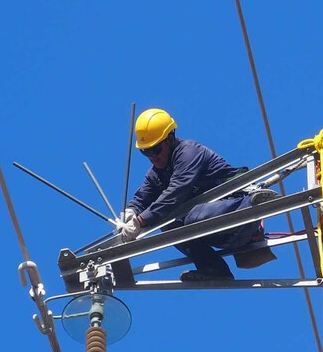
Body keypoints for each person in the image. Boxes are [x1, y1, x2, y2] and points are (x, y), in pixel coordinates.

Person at [115, 108, 279, 281]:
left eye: (155, 149)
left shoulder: (188, 152)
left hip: (236, 217)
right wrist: (130, 213)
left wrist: (140, 221)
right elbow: (142, 198)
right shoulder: (156, 174)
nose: (152, 157)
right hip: (218, 230)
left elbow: (176, 191)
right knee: (169, 225)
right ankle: (214, 270)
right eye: (146, 152)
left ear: (170, 139)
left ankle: (254, 206)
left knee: (191, 217)